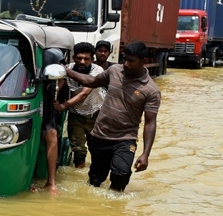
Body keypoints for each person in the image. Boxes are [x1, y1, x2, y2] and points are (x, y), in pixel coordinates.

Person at [63, 41, 161, 192]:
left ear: (143, 61)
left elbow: (150, 123)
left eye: (131, 61)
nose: (126, 64)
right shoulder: (114, 70)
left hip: (125, 138)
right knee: (95, 180)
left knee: (121, 174)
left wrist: (145, 154)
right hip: (100, 135)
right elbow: (92, 81)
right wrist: (66, 71)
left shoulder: (151, 90)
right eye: (124, 59)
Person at [53, 42, 104, 169]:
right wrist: (53, 98)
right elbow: (58, 86)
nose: (82, 61)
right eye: (79, 58)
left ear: (92, 59)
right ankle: (79, 174)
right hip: (76, 115)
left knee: (97, 150)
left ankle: (94, 179)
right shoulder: (67, 69)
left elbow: (84, 93)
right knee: (78, 151)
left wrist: (63, 106)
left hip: (96, 115)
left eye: (86, 59)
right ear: (74, 58)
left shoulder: (97, 70)